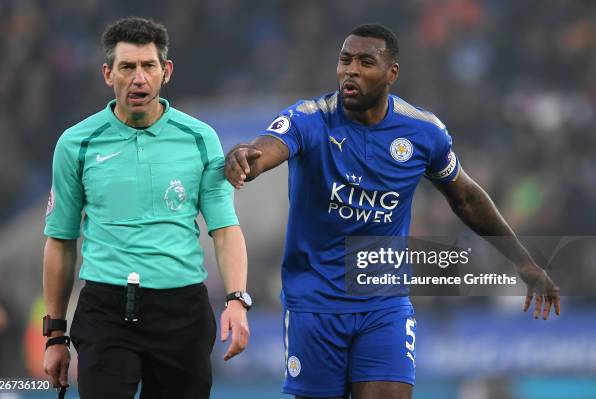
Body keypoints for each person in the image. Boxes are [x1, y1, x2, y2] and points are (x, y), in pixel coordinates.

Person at [225, 23, 560, 399]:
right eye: (345, 60)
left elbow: (465, 197)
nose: (351, 70)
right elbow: (264, 150)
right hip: (314, 305)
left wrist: (523, 261)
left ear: (391, 74)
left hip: (383, 304)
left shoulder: (423, 132)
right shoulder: (309, 118)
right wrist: (245, 158)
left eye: (366, 62)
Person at [42, 17, 251, 399]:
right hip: (106, 310)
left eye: (148, 66)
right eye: (127, 67)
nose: (138, 78)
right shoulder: (77, 143)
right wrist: (55, 334)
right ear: (108, 74)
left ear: (165, 71)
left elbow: (225, 228)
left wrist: (237, 299)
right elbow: (60, 241)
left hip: (181, 312)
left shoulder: (200, 138)